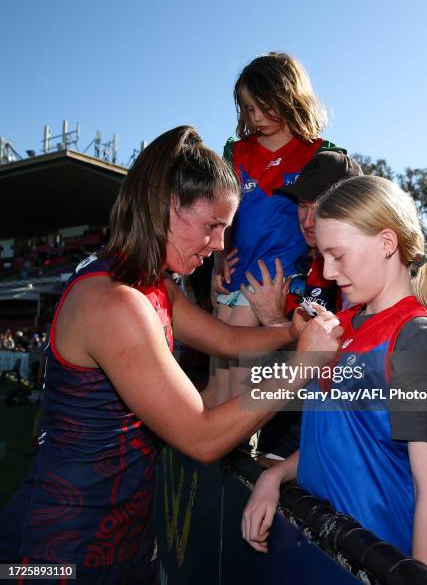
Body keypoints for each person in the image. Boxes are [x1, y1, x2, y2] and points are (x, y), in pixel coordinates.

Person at [0, 126, 343, 584]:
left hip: (124, 533)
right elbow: (202, 437)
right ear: (166, 206)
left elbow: (227, 339)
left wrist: (290, 331)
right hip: (62, 546)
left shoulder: (151, 282)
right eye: (212, 226)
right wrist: (302, 367)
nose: (220, 245)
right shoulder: (116, 302)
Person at [242, 176, 427, 576]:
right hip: (316, 552)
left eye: (338, 255)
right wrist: (275, 474)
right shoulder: (338, 327)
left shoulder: (416, 340)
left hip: (373, 564)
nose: (328, 272)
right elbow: (339, 435)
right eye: (322, 256)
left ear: (386, 243)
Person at [212, 51, 346, 401]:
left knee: (241, 382)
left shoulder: (321, 154)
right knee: (220, 377)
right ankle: (215, 446)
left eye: (263, 106)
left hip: (281, 282)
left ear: (289, 96)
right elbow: (222, 212)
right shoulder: (237, 152)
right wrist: (219, 259)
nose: (255, 117)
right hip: (238, 276)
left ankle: (238, 447)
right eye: (248, 108)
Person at [238, 151, 363, 458]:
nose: (308, 221)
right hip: (280, 431)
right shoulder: (295, 262)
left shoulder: (361, 275)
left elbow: (340, 366)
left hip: (331, 446)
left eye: (319, 208)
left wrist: (271, 319)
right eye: (302, 206)